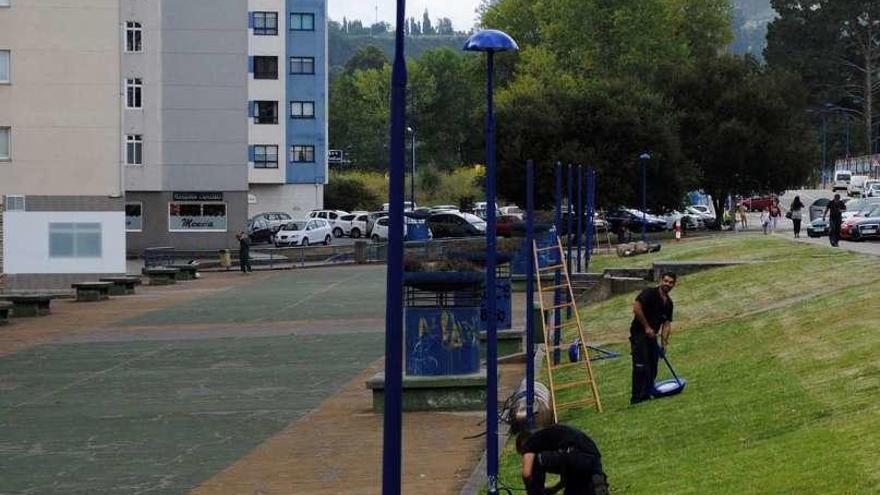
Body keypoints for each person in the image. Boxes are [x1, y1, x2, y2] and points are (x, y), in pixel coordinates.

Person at [517, 424, 609, 495]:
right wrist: (554, 489)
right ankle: (597, 484)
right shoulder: (550, 438)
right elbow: (566, 471)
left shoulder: (530, 442)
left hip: (573, 453)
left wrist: (531, 489)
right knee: (575, 485)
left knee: (536, 462)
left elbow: (527, 474)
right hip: (591, 457)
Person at [629, 272, 676, 404]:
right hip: (639, 333)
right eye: (666, 281)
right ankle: (637, 397)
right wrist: (646, 327)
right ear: (661, 281)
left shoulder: (668, 303)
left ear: (674, 285)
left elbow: (666, 324)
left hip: (652, 337)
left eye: (671, 282)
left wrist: (664, 344)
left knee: (653, 365)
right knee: (641, 365)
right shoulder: (649, 293)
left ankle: (648, 392)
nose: (667, 284)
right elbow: (636, 308)